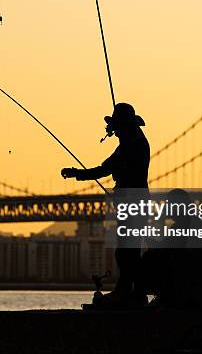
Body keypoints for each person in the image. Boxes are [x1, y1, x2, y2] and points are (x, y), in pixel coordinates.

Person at [61, 102, 150, 308]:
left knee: (128, 251)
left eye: (117, 127)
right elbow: (106, 167)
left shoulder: (134, 145)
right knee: (127, 250)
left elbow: (107, 169)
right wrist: (79, 173)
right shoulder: (129, 143)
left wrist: (79, 174)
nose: (114, 132)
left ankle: (128, 293)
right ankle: (131, 292)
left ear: (125, 126)